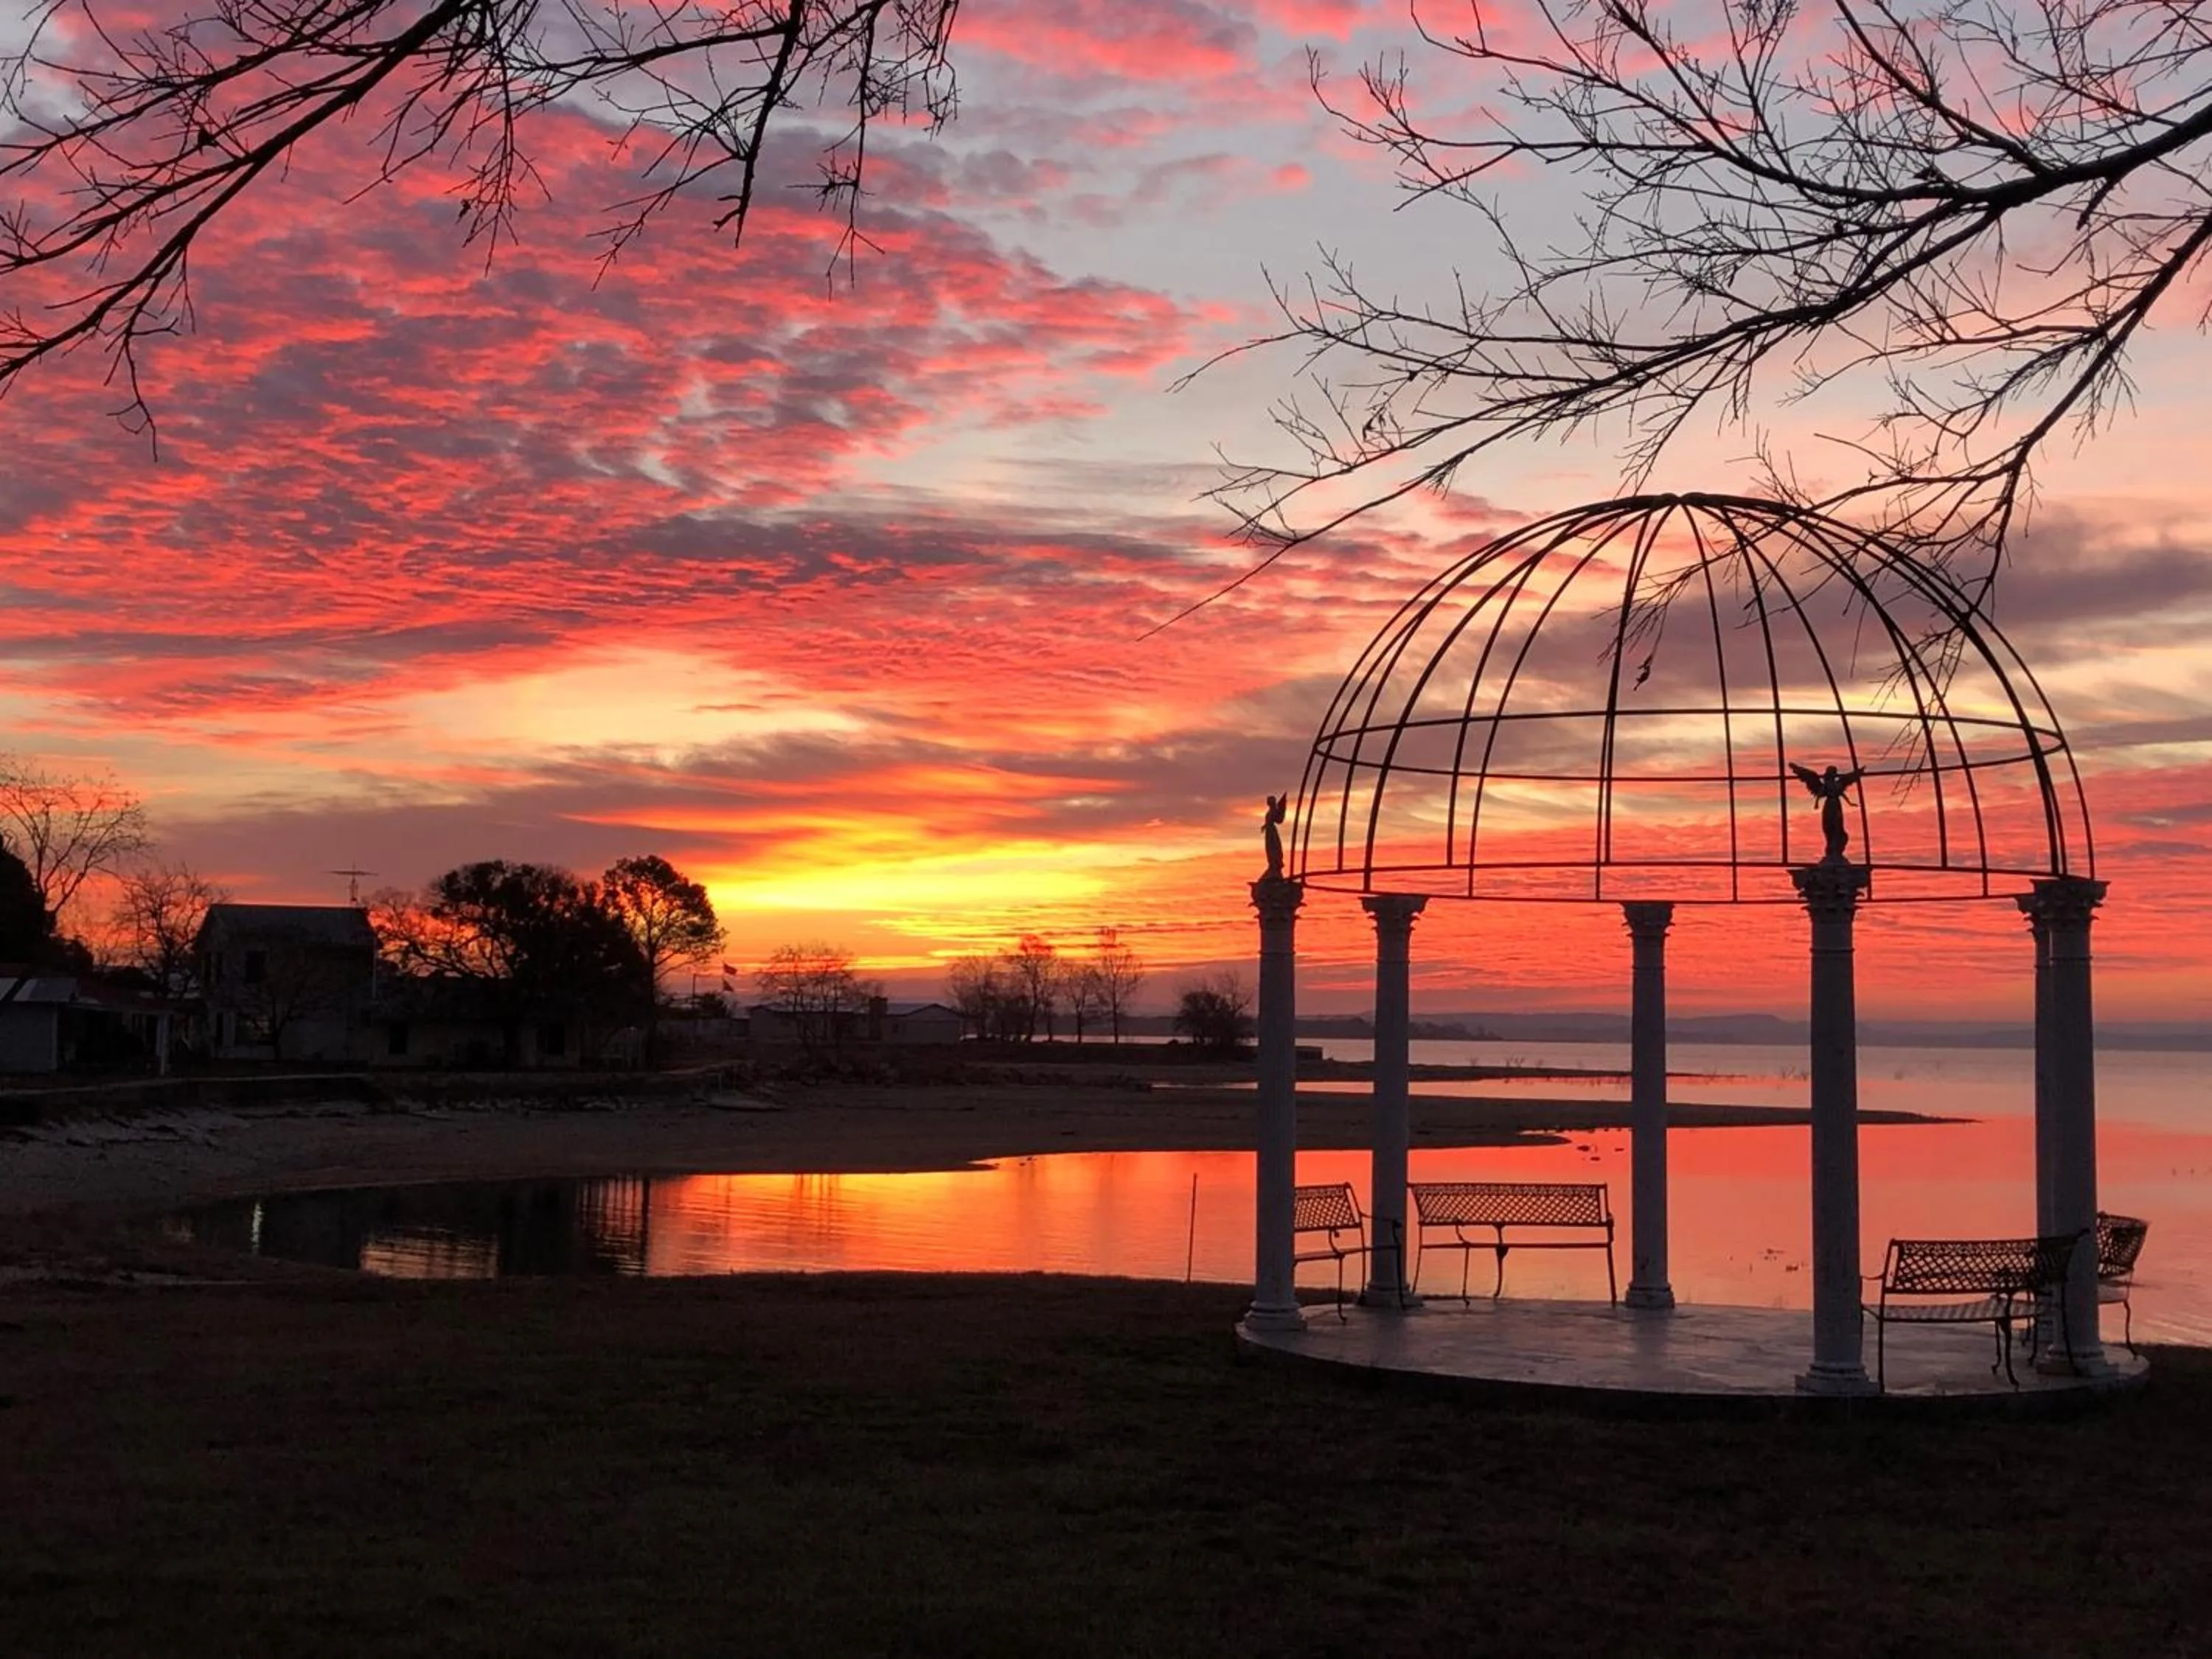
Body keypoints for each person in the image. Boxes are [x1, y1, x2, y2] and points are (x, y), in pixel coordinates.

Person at [1789, 762, 1863, 862]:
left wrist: (1850, 803)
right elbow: (1820, 793)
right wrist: (1816, 803)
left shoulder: (1839, 784)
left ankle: (1836, 847)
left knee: (1838, 825)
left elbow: (1842, 794)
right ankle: (1831, 846)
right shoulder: (1827, 785)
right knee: (1828, 826)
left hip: (1836, 804)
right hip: (1830, 805)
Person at [1262, 793, 1287, 878]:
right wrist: (1264, 826)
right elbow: (1268, 821)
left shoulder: (1274, 811)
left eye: (1270, 800)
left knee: (1274, 848)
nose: (1268, 802)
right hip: (1269, 832)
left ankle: (1275, 864)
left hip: (1272, 832)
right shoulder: (1270, 811)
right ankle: (1272, 864)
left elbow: (1277, 819)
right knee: (1269, 848)